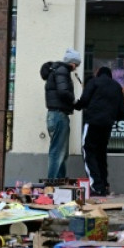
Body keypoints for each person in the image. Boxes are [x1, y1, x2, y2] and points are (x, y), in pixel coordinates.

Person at [74, 66, 124, 196]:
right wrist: (110, 116)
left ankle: (96, 187)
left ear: (98, 73)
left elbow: (84, 101)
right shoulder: (116, 87)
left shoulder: (94, 82)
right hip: (107, 125)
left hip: (92, 122)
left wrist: (75, 105)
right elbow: (122, 112)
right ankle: (104, 185)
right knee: (101, 154)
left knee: (88, 150)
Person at [43, 48, 80, 180]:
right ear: (73, 63)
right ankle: (53, 183)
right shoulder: (62, 71)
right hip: (59, 115)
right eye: (77, 64)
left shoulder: (58, 70)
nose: (76, 68)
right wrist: (74, 101)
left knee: (60, 152)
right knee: (58, 152)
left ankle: (59, 181)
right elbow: (63, 92)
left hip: (55, 115)